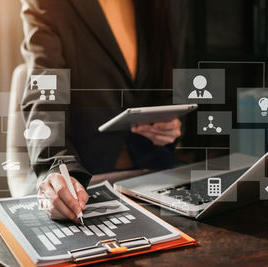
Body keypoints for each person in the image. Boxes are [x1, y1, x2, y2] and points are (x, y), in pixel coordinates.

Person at [21, 0, 191, 223]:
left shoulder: (166, 6)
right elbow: (44, 93)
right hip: (84, 182)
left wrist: (171, 125)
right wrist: (55, 165)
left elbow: (172, 86)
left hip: (154, 174)